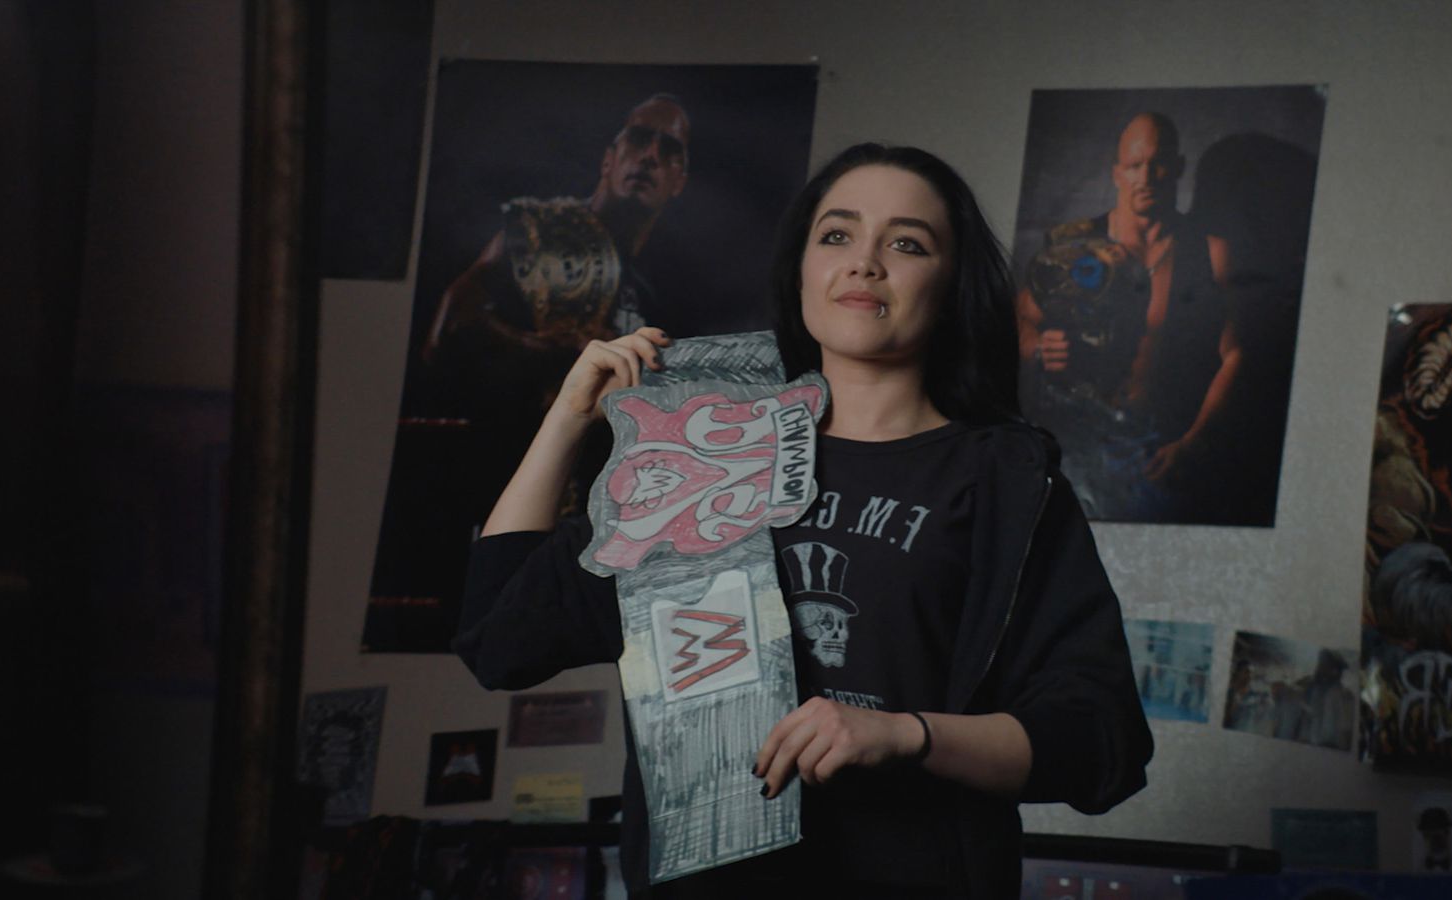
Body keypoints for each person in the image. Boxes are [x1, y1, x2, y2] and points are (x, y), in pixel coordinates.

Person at [454, 143, 1152, 897]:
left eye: (907, 244)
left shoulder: (1005, 481)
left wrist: (908, 735)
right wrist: (566, 418)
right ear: (800, 270)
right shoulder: (697, 450)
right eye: (837, 235)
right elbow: (499, 639)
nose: (865, 263)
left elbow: (1100, 740)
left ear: (953, 285)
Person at [1016, 112, 1237, 512]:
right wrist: (1038, 347)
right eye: (1135, 165)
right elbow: (1021, 320)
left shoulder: (1211, 252)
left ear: (1178, 168)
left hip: (1163, 449)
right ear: (1117, 173)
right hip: (1078, 445)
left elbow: (1237, 353)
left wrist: (1193, 442)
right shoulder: (1072, 247)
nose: (1146, 177)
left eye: (1158, 163)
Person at [423, 93, 692, 374]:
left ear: (679, 183)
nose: (651, 156)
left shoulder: (659, 290)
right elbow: (449, 329)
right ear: (608, 161)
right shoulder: (538, 231)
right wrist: (551, 351)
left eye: (669, 150)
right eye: (638, 139)